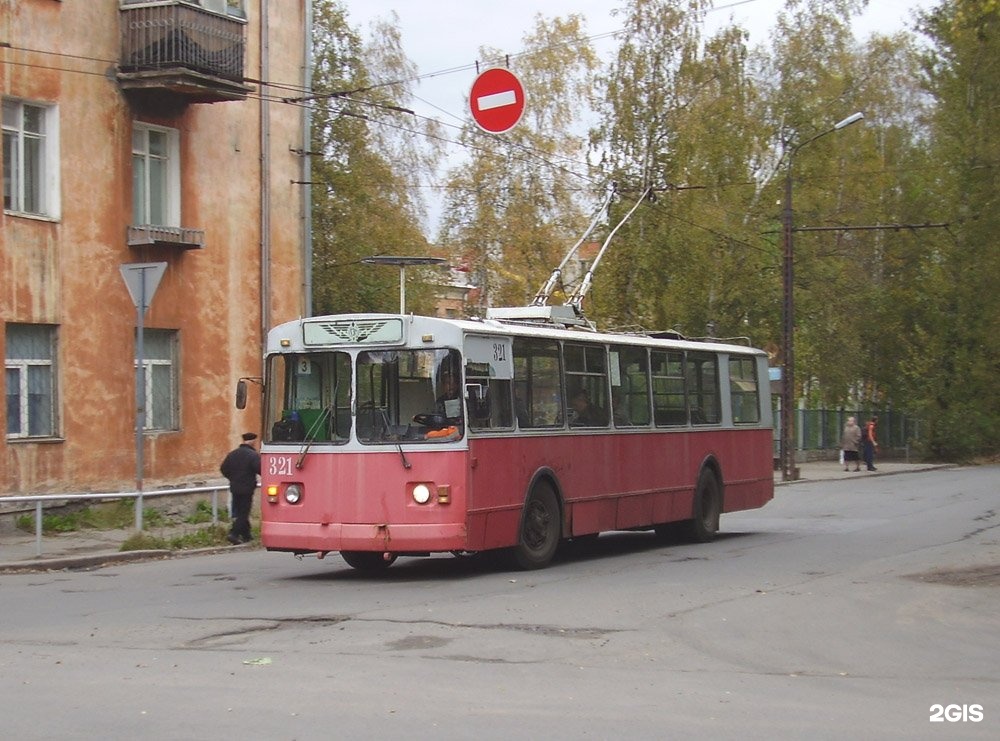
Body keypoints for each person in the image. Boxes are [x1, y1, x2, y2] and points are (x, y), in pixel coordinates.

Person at [220, 432, 261, 544]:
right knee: (244, 513)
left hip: (234, 487)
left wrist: (232, 478)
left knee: (240, 512)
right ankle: (233, 533)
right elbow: (260, 469)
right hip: (247, 488)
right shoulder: (253, 455)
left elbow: (223, 469)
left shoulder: (232, 454)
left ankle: (246, 535)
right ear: (252, 441)